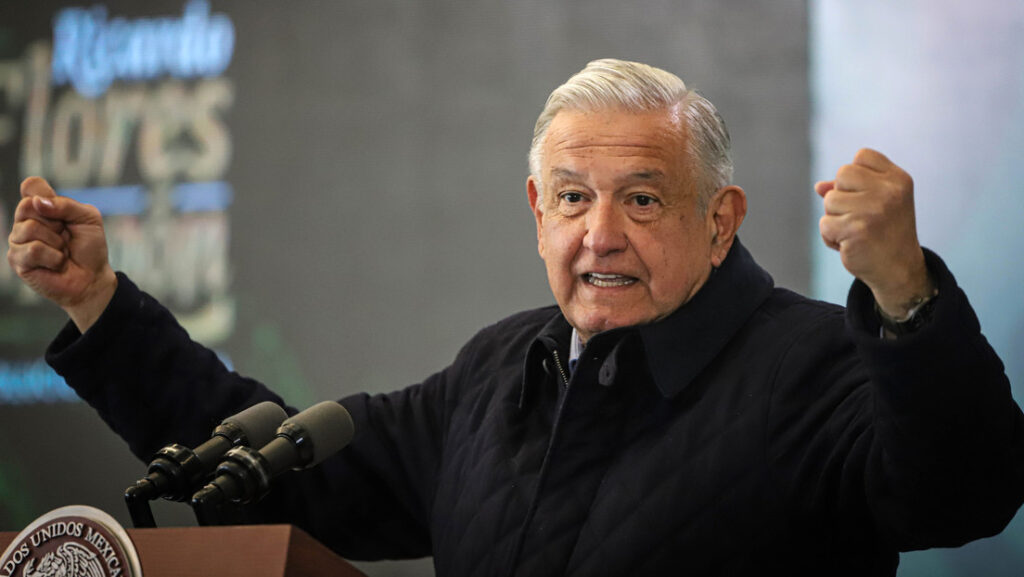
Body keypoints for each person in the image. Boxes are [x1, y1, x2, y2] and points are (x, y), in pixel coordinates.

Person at [7, 59, 1024, 576]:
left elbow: (962, 492)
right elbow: (294, 479)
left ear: (721, 222)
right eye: (573, 198)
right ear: (537, 213)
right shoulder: (500, 368)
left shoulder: (812, 364)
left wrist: (904, 296)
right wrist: (103, 307)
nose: (602, 236)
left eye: (643, 198)